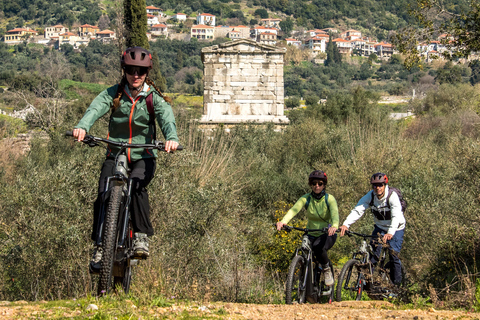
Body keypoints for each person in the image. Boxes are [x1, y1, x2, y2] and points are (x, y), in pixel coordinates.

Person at [72, 46, 179, 273]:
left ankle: (141, 237)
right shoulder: (113, 94)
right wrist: (82, 127)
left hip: (144, 154)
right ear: (125, 70)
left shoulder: (153, 98)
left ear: (147, 72)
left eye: (140, 70)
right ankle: (100, 245)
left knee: (137, 185)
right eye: (131, 70)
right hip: (115, 152)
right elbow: (95, 108)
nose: (136, 75)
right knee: (104, 192)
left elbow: (167, 119)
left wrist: (172, 138)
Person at [339, 172, 405, 285]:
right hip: (380, 228)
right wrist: (346, 224)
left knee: (393, 255)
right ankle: (369, 283)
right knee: (373, 256)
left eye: (380, 185)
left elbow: (396, 216)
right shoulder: (371, 196)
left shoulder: (392, 196)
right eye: (375, 185)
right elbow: (358, 210)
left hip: (396, 228)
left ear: (385, 185)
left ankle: (397, 286)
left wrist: (390, 233)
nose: (377, 188)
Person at [276, 170, 339, 286]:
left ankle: (326, 269)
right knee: (303, 248)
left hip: (327, 233)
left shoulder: (329, 199)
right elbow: (293, 210)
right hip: (311, 232)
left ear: (324, 185)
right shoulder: (306, 198)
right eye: (314, 183)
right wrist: (283, 222)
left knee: (318, 248)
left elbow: (335, 214)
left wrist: (334, 226)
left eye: (320, 183)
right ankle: (305, 279)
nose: (317, 186)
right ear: (311, 184)